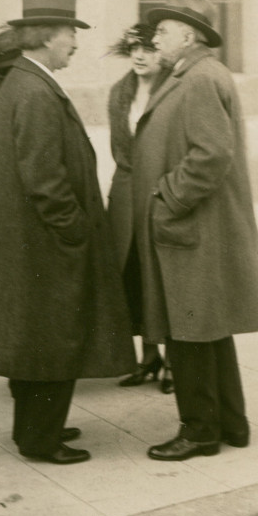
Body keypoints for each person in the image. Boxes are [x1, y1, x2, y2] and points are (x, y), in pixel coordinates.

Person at [0, 0, 136, 465]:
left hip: (36, 241)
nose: (75, 42)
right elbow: (44, 177)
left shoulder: (26, 81)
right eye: (71, 32)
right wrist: (74, 229)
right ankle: (40, 438)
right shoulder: (35, 89)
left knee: (38, 340)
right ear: (46, 37)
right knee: (54, 340)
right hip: (49, 242)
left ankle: (37, 428)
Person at [132, 0, 258, 461]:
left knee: (187, 331)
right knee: (209, 329)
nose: (156, 37)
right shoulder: (194, 74)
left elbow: (211, 154)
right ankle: (232, 424)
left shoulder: (198, 78)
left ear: (188, 36)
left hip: (193, 230)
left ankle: (200, 432)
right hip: (198, 231)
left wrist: (168, 199)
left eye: (164, 30)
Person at [106, 23, 173, 393]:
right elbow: (120, 149)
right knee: (131, 272)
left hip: (159, 192)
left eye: (148, 48)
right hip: (126, 192)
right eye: (133, 47)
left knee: (164, 275)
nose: (140, 55)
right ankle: (149, 358)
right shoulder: (120, 93)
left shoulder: (173, 90)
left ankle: (175, 364)